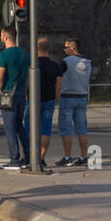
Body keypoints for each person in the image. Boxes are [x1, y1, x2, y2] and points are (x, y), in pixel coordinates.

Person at [0, 25, 30, 169]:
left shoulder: (3, 55)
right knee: (20, 126)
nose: (0, 37)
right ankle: (28, 155)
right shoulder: (25, 54)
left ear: (6, 37)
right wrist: (26, 92)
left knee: (10, 128)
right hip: (21, 92)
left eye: (2, 35)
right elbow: (28, 77)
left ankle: (14, 158)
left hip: (8, 94)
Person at [56, 38, 92, 166]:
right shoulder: (87, 62)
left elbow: (59, 78)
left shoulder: (66, 62)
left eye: (66, 47)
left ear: (72, 48)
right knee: (82, 129)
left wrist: (56, 94)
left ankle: (67, 157)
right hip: (82, 97)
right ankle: (83, 157)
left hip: (67, 96)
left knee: (66, 129)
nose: (64, 50)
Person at [35, 37, 63, 167]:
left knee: (30, 128)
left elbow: (27, 83)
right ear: (49, 49)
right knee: (46, 129)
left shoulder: (32, 64)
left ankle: (30, 156)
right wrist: (55, 96)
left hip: (34, 100)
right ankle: (41, 156)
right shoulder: (55, 65)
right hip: (49, 99)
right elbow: (59, 85)